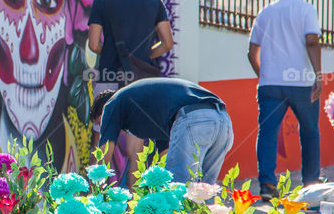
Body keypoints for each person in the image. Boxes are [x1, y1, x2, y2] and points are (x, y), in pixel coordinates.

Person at [248, 0, 322, 199]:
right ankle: (311, 183)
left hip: (270, 84)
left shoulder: (265, 11)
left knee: (268, 132)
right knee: (309, 131)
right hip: (300, 82)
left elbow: (252, 52)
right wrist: (318, 75)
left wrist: (265, 75)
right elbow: (311, 41)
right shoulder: (306, 9)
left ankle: (267, 185)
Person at [91, 78, 234, 184]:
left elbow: (104, 154)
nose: (105, 127)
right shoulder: (150, 112)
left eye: (101, 122)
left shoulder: (112, 104)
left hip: (193, 118)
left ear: (103, 111)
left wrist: (93, 197)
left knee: (178, 188)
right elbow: (165, 154)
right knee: (204, 190)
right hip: (222, 119)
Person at [88, 0, 174, 93]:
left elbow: (94, 45)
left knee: (106, 116)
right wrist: (143, 55)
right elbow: (167, 43)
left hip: (109, 79)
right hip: (141, 81)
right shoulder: (155, 2)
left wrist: (110, 50)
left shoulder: (101, 2)